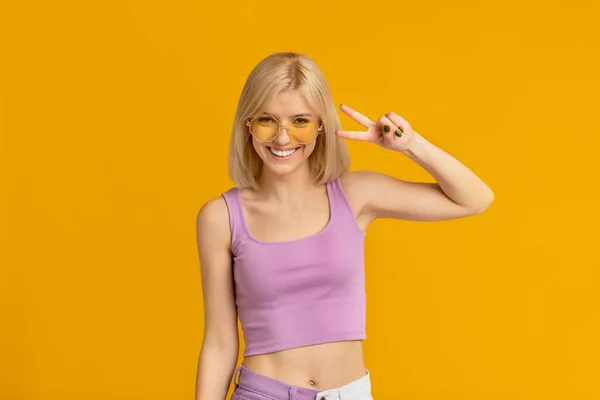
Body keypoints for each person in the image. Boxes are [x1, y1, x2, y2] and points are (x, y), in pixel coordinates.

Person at [194, 52, 494, 400]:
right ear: (248, 125)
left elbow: (475, 199)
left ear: (321, 125)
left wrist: (410, 145)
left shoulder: (355, 194)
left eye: (300, 121)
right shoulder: (220, 218)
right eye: (267, 120)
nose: (282, 138)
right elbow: (218, 343)